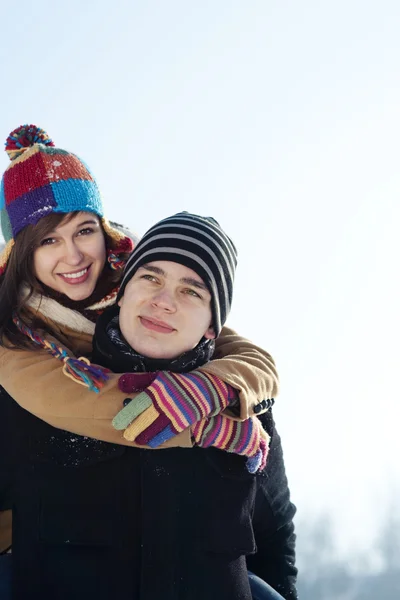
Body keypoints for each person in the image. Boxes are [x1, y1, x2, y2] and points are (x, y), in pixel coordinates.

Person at [0, 126, 286, 597]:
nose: (73, 255)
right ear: (21, 254)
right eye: (48, 241)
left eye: (84, 231)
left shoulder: (142, 288)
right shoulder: (17, 340)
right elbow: (95, 407)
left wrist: (219, 388)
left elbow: (240, 350)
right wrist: (208, 429)